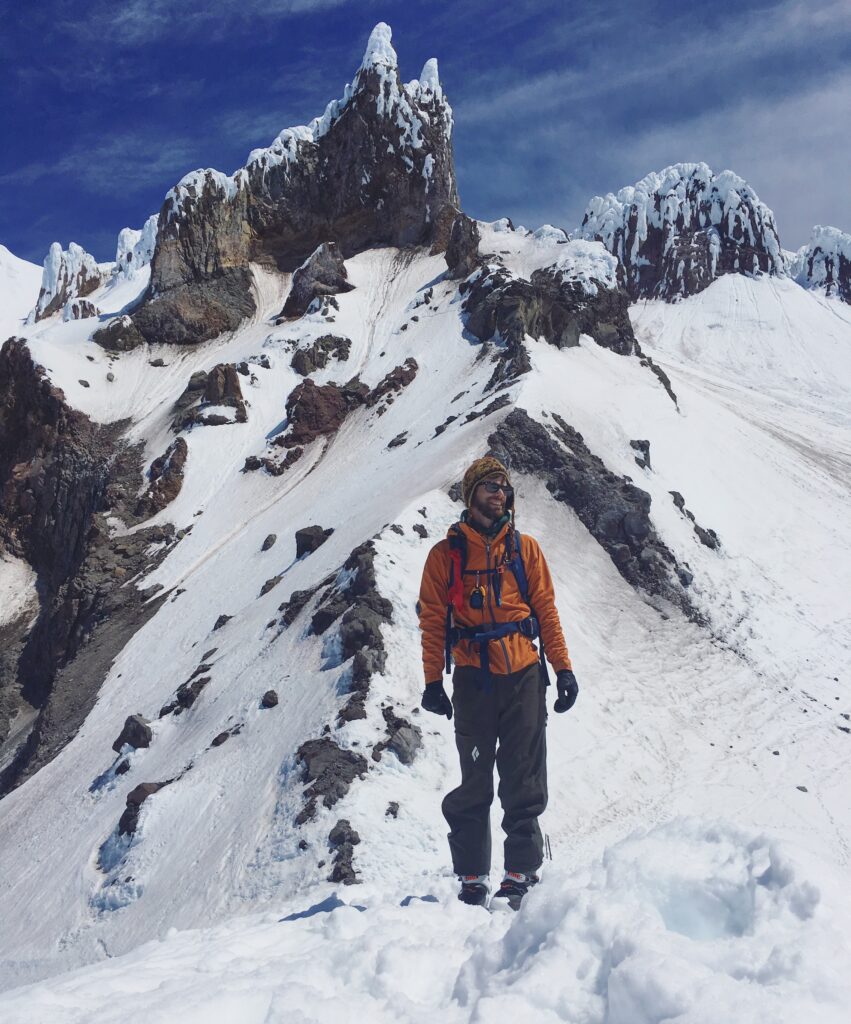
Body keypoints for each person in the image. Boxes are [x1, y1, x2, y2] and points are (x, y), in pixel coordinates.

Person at [417, 455, 579, 910]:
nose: (500, 493)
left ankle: (520, 872)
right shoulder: (445, 557)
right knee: (474, 781)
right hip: (473, 677)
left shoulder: (524, 551)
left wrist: (563, 670)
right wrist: (433, 681)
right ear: (471, 497)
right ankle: (472, 877)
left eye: (504, 486)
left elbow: (546, 610)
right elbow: (432, 620)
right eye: (490, 486)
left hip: (525, 674)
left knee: (524, 777)